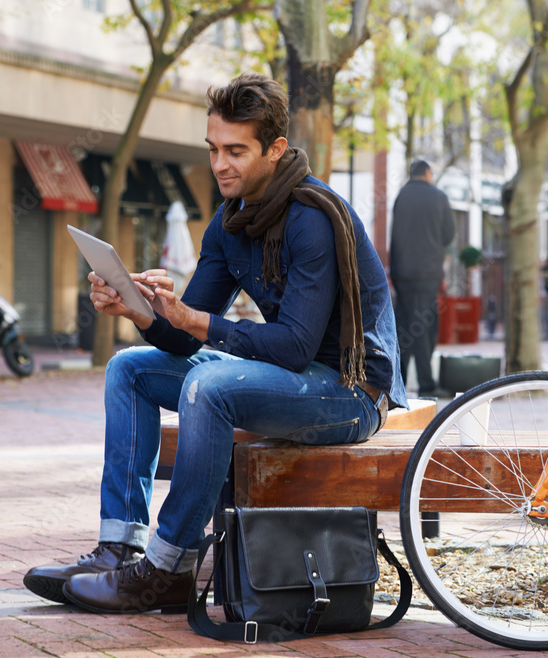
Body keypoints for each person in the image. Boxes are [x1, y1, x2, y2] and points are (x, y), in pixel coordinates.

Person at [23, 73, 407, 613]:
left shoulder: (313, 220)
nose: (220, 164)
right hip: (290, 380)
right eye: (213, 150)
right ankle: (119, 548)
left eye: (235, 150)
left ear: (275, 149)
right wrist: (138, 307)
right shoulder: (230, 225)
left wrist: (197, 321)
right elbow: (180, 338)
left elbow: (295, 347)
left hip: (348, 393)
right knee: (128, 369)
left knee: (210, 385)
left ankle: (167, 567)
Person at [389, 159, 455, 396]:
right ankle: (427, 384)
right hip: (428, 273)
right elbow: (449, 235)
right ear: (427, 173)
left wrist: (393, 272)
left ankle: (400, 382)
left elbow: (394, 237)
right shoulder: (438, 197)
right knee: (424, 325)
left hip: (403, 274)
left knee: (404, 326)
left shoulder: (401, 197)